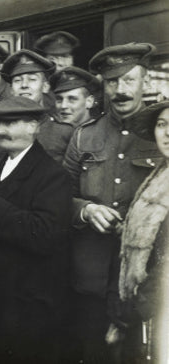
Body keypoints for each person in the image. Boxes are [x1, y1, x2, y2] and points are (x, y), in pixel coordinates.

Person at [62, 42, 162, 363]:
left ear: (145, 82)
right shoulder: (83, 136)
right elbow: (57, 197)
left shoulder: (160, 133)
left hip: (142, 280)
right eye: (112, 81)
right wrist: (85, 210)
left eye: (129, 80)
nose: (120, 90)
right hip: (90, 275)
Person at [0, 96, 72, 363]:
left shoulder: (52, 175)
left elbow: (45, 235)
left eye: (10, 123)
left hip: (22, 309)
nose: (1, 130)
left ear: (34, 126)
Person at [116, 101, 169, 363]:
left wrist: (134, 311)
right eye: (162, 124)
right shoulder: (161, 173)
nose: (168, 132)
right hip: (149, 307)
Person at [1, 49, 74, 162]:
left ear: (45, 86)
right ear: (11, 90)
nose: (24, 85)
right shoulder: (1, 132)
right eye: (18, 80)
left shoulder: (64, 132)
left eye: (32, 79)